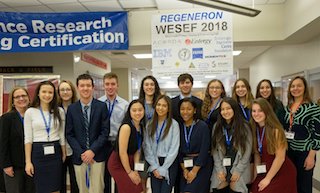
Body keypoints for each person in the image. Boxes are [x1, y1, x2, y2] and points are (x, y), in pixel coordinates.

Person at [66, 74, 110, 193]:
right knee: (82, 189)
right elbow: (69, 134)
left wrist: (92, 151)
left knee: (97, 189)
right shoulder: (72, 109)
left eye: (88, 85)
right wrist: (82, 153)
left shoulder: (101, 107)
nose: (85, 88)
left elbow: (105, 132)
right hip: (79, 157)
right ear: (78, 87)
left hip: (97, 155)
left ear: (93, 87)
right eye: (82, 85)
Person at [24, 81, 66, 193]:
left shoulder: (59, 111)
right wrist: (28, 162)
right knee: (41, 188)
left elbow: (61, 134)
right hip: (38, 153)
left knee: (55, 187)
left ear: (54, 94)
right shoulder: (30, 112)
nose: (47, 95)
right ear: (38, 93)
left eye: (50, 92)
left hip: (55, 152)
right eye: (44, 92)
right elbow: (28, 138)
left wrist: (64, 152)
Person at [250, 98, 297, 193]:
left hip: (281, 170)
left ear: (267, 112)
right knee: (255, 189)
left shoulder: (276, 131)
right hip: (265, 169)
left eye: (260, 111)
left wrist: (267, 179)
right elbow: (257, 155)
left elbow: (280, 158)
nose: (256, 114)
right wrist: (255, 177)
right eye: (254, 111)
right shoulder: (254, 129)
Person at [283, 76, 320, 193]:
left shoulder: (313, 108)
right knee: (291, 183)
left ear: (305, 88)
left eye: (299, 85)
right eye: (293, 86)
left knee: (304, 185)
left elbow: (318, 134)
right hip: (289, 151)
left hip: (305, 152)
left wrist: (311, 156)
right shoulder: (287, 108)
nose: (295, 88)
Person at [210, 97, 252, 193]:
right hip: (221, 166)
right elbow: (215, 150)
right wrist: (219, 169)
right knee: (217, 186)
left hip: (239, 166)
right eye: (223, 109)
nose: (225, 112)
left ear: (234, 109)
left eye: (228, 108)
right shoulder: (217, 126)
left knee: (236, 186)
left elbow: (247, 152)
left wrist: (238, 171)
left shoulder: (244, 126)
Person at [0, 87, 35, 193]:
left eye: (24, 96)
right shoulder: (6, 118)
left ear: (29, 98)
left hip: (32, 164)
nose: (21, 99)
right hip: (14, 167)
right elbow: (2, 143)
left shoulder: (34, 116)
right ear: (13, 101)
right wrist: (6, 165)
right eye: (17, 97)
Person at [98, 72, 129, 193]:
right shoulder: (98, 104)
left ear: (117, 85)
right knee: (104, 175)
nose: (110, 87)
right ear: (103, 86)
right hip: (102, 144)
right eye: (107, 84)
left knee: (118, 175)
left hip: (118, 144)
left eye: (113, 84)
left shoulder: (125, 105)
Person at [144, 95, 180, 193]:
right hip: (154, 162)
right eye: (158, 105)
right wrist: (155, 167)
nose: (161, 108)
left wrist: (164, 168)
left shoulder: (174, 125)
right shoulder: (150, 124)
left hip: (169, 164)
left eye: (164, 106)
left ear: (168, 108)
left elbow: (174, 148)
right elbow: (147, 147)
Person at [107, 99, 145, 193]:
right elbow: (122, 152)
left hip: (130, 161)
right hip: (118, 163)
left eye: (140, 110)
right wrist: (129, 172)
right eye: (134, 110)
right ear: (129, 112)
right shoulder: (126, 127)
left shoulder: (141, 127)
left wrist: (136, 170)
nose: (137, 113)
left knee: (138, 187)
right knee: (131, 188)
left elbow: (137, 150)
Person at [179, 98, 212, 193]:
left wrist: (194, 171)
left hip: (201, 166)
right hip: (185, 166)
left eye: (189, 109)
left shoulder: (202, 126)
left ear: (194, 110)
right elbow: (178, 151)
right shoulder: (179, 127)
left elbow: (204, 150)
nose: (185, 112)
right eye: (182, 109)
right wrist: (184, 169)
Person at [57, 80, 79, 193]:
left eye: (68, 89)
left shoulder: (78, 107)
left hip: (75, 150)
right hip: (59, 150)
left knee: (76, 181)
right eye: (62, 90)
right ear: (58, 92)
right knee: (60, 181)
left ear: (72, 91)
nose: (65, 92)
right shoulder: (54, 109)